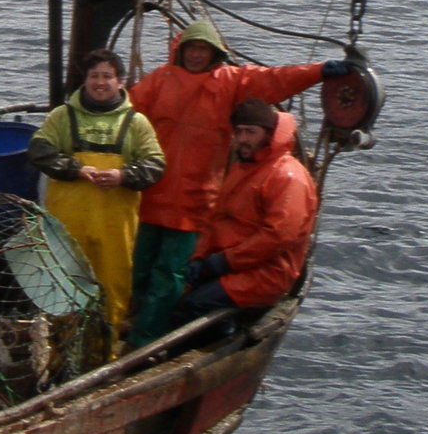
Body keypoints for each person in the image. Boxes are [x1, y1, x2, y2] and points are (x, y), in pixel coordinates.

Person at [126, 20, 351, 348]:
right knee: (141, 267)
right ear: (181, 50)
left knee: (171, 275)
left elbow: (275, 80)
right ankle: (139, 321)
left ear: (214, 53)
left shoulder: (231, 82)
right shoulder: (159, 80)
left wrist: (319, 71)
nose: (196, 56)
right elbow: (125, 114)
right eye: (191, 48)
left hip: (194, 204)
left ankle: (147, 339)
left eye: (203, 49)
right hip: (151, 197)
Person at [27, 49, 164, 351]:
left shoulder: (136, 123)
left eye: (106, 76)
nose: (100, 83)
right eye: (94, 77)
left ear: (120, 81)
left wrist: (123, 176)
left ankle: (105, 357)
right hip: (67, 229)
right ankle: (60, 358)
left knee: (113, 293)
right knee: (63, 291)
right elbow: (39, 152)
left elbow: (156, 166)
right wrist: (76, 169)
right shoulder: (62, 117)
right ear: (84, 81)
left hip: (115, 232)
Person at [173, 98, 318, 324]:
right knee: (173, 289)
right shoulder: (244, 166)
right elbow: (217, 220)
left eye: (251, 132)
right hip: (231, 264)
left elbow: (278, 237)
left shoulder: (287, 176)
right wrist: (200, 259)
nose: (243, 140)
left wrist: (222, 263)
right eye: (239, 132)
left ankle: (215, 343)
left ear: (269, 134)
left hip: (267, 273)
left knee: (193, 305)